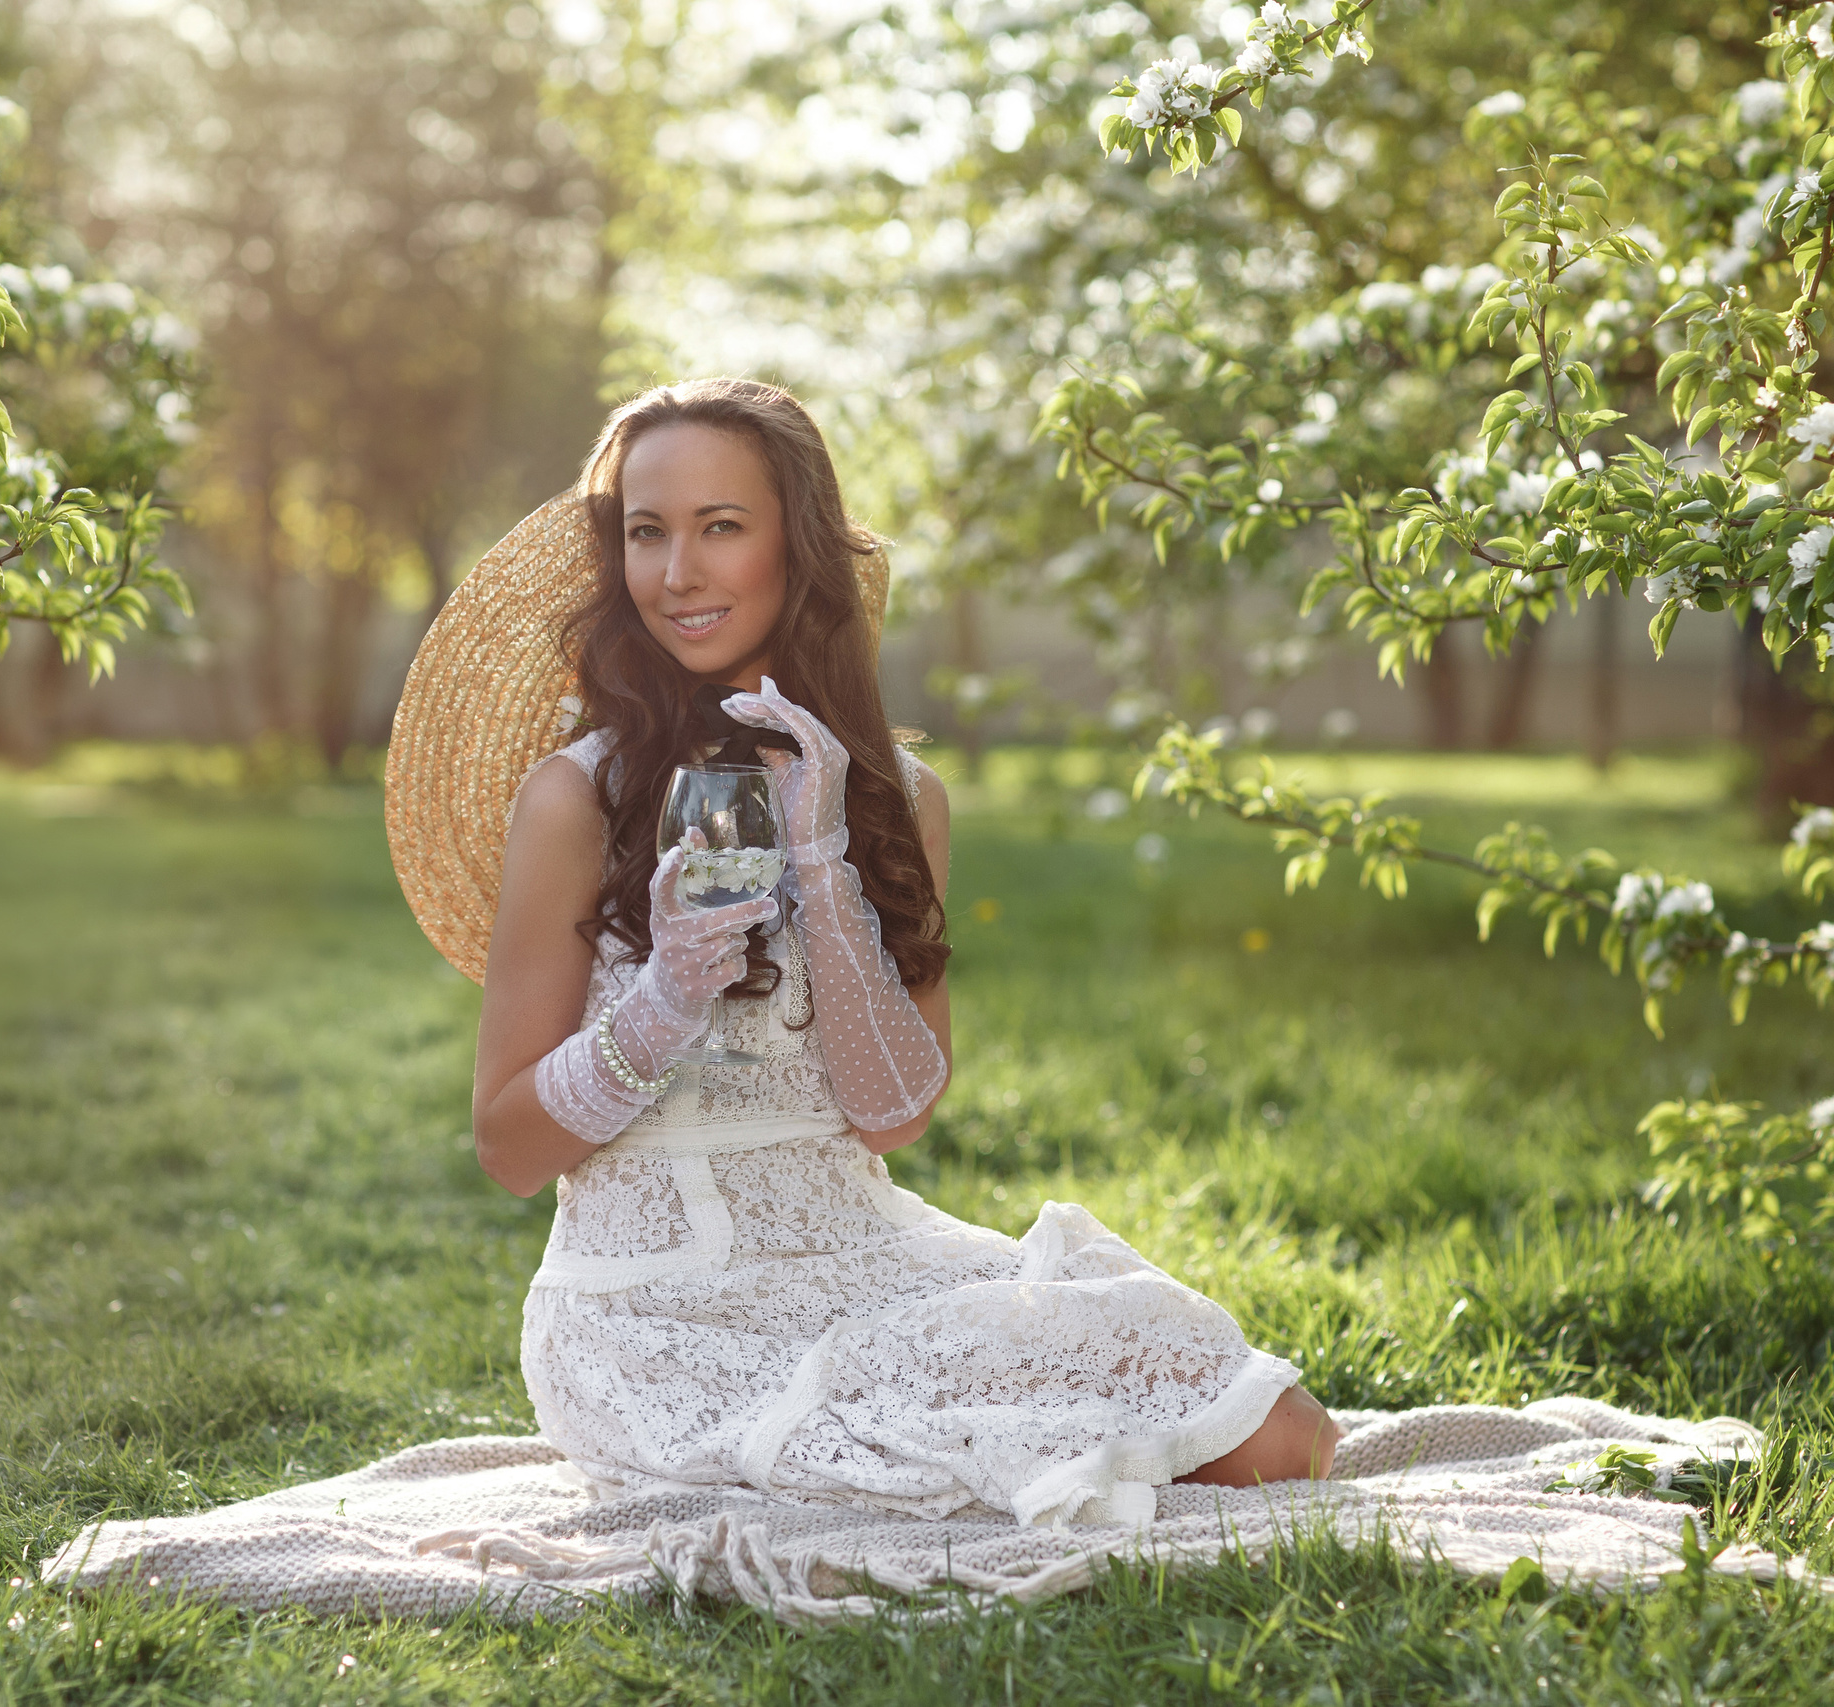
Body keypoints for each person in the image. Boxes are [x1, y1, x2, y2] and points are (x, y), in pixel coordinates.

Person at [462, 378, 1338, 1526]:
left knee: (1283, 1434)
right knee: (1165, 1447)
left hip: (865, 1263)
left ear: (795, 548)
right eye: (646, 531)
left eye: (720, 527)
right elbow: (509, 1147)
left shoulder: (896, 800)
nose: (677, 572)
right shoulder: (575, 800)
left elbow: (892, 1115)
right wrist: (664, 998)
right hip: (654, 1316)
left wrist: (824, 854)